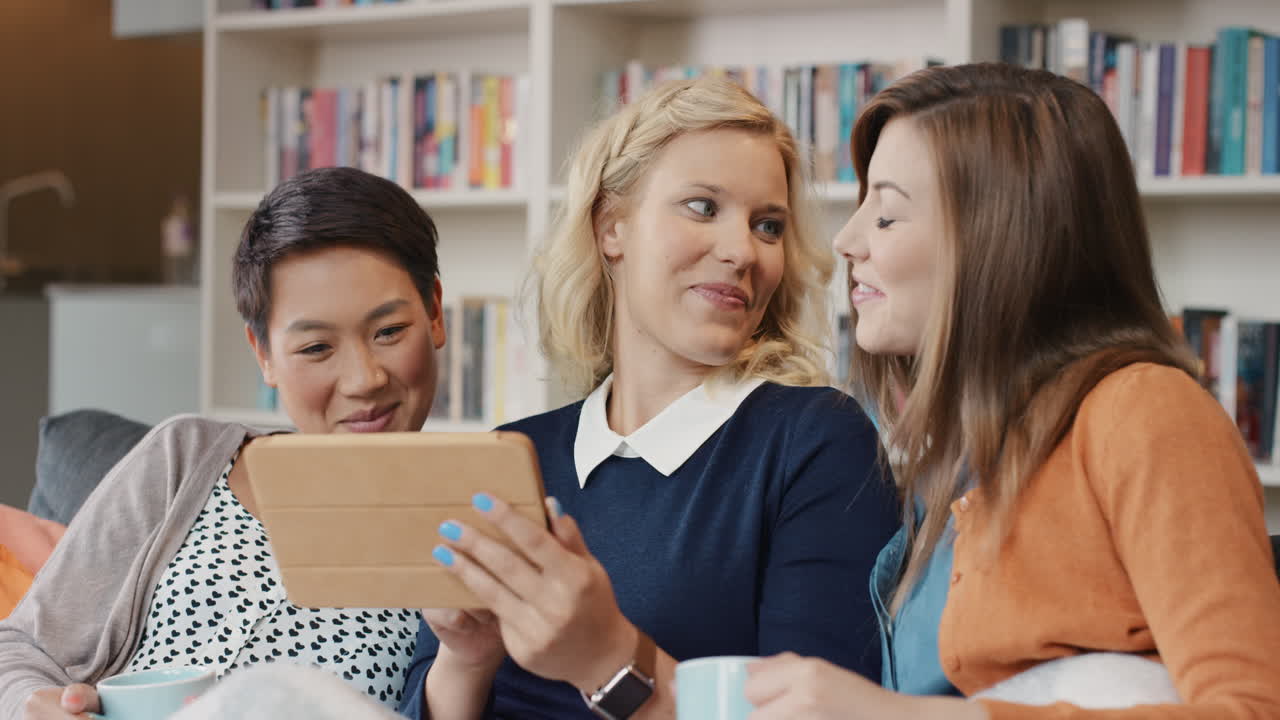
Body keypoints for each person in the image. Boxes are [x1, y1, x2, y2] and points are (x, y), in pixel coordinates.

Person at [742, 62, 1280, 719]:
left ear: (1002, 237)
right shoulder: (960, 467)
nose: (846, 240)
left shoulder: (1144, 412)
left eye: (885, 216)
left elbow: (1252, 709)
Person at [400, 76, 901, 719]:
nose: (742, 250)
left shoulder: (817, 444)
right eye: (702, 207)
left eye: (768, 225)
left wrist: (609, 658)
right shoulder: (516, 453)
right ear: (613, 226)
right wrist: (465, 659)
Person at [1, 166, 448, 720]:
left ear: (433, 312)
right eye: (315, 348)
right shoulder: (184, 457)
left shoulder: (473, 519)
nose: (363, 380)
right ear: (263, 354)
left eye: (387, 332)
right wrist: (32, 706)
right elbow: (21, 647)